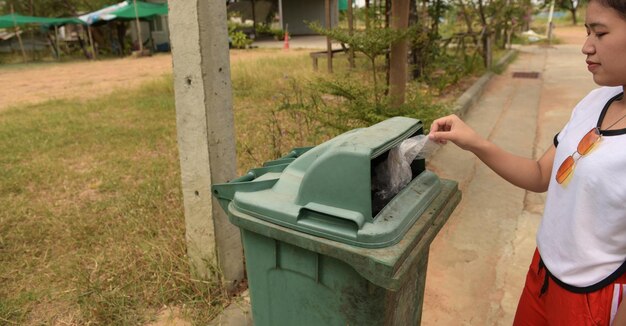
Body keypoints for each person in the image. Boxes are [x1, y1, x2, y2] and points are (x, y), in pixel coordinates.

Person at [428, 1, 626, 325]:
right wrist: (473, 140)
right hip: (542, 275)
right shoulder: (597, 100)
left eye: (600, 33)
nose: (586, 46)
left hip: (593, 299)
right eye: (587, 31)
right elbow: (539, 174)